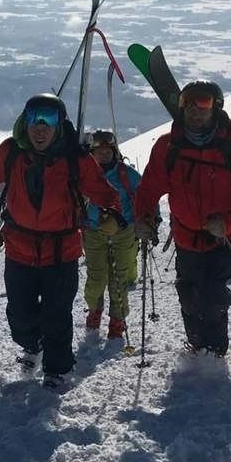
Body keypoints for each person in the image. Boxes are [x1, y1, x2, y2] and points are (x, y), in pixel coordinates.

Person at [0, 93, 122, 389]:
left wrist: (112, 214)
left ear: (60, 124)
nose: (41, 127)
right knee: (19, 315)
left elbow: (103, 192)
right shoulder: (11, 152)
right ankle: (33, 345)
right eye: (35, 119)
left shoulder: (76, 159)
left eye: (49, 119)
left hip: (62, 251)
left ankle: (56, 369)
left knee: (57, 314)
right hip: (20, 247)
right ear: (25, 121)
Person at [132, 80, 231, 357]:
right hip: (186, 237)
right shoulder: (167, 146)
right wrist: (144, 217)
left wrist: (229, 222)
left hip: (225, 239)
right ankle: (196, 344)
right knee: (188, 293)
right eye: (188, 103)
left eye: (203, 103)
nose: (195, 110)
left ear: (216, 108)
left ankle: (215, 349)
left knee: (210, 295)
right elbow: (149, 188)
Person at [81, 130, 145, 340]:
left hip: (122, 231)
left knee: (119, 278)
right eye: (99, 152)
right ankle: (95, 310)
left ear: (114, 151)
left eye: (107, 151)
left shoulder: (126, 174)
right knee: (97, 277)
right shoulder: (84, 174)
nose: (103, 155)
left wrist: (149, 219)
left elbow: (145, 193)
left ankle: (117, 321)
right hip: (93, 231)